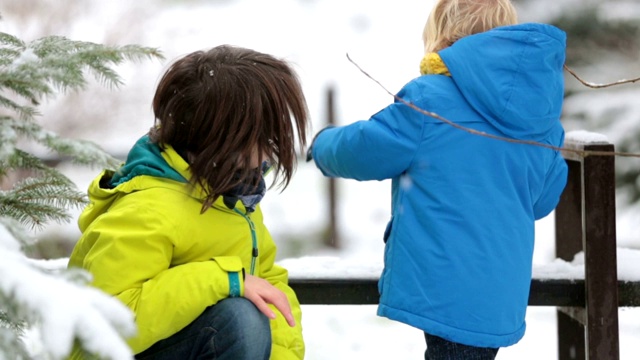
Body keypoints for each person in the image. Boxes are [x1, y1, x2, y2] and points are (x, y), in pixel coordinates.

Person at [307, 0, 568, 359]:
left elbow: (367, 149)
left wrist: (322, 145)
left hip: (445, 287)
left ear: (444, 37)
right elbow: (540, 201)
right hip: (499, 292)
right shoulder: (542, 121)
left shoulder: (430, 99)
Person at [68, 44, 309, 360]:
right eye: (263, 135)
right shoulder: (148, 208)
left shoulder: (232, 197)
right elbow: (103, 326)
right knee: (239, 318)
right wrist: (222, 281)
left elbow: (270, 287)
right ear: (222, 138)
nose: (272, 148)